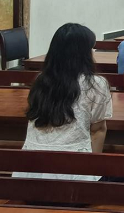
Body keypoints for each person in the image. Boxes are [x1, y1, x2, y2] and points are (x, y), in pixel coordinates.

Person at [15, 23, 112, 181]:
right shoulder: (95, 84)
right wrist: (93, 170)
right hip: (73, 175)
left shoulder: (41, 81)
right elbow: (98, 130)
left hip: (29, 172)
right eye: (91, 49)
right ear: (83, 54)